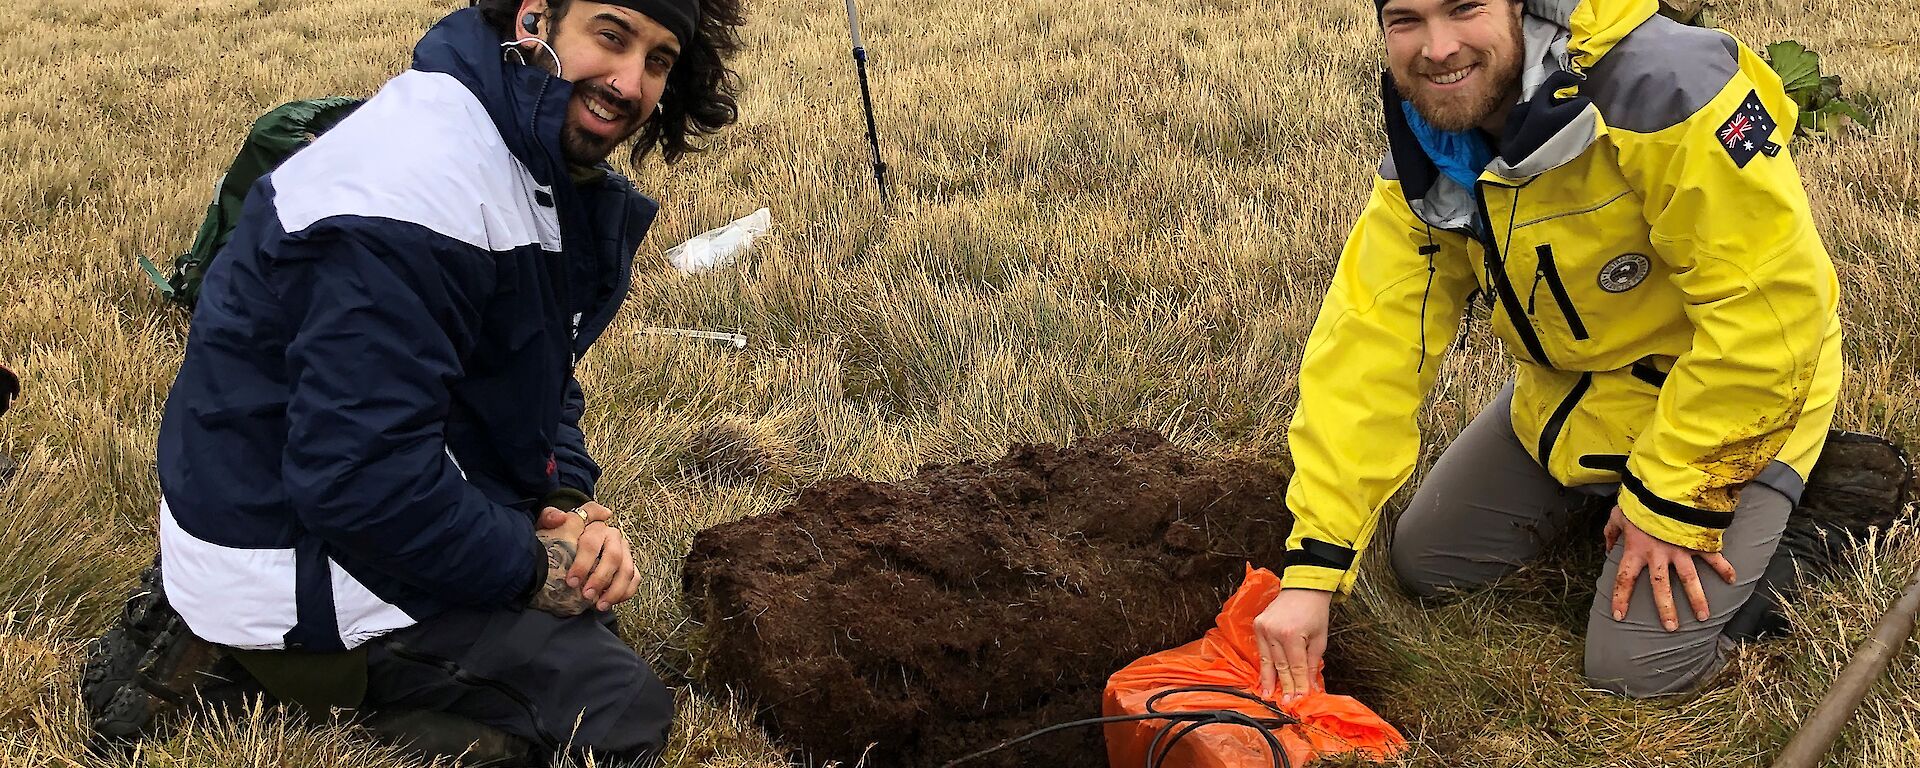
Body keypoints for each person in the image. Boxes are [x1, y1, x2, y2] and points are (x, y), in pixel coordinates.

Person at [82, 0, 742, 763]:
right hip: (295, 548)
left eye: (658, 60)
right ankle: (246, 680)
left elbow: (532, 376)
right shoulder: (419, 185)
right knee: (615, 717)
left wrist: (561, 505)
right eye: (611, 36)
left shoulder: (507, 148)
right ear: (535, 19)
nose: (630, 82)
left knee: (582, 625)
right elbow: (358, 478)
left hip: (306, 493)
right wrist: (530, 565)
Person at [1253, 0, 1846, 701]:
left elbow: (1769, 313)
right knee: (1429, 563)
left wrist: (1676, 499)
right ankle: (1620, 499)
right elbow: (1370, 345)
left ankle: (1813, 514)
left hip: (1734, 393)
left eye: (1464, 8)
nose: (1437, 47)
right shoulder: (1434, 144)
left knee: (1636, 675)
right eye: (1406, 20)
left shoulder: (1668, 86)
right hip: (1573, 392)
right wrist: (1315, 568)